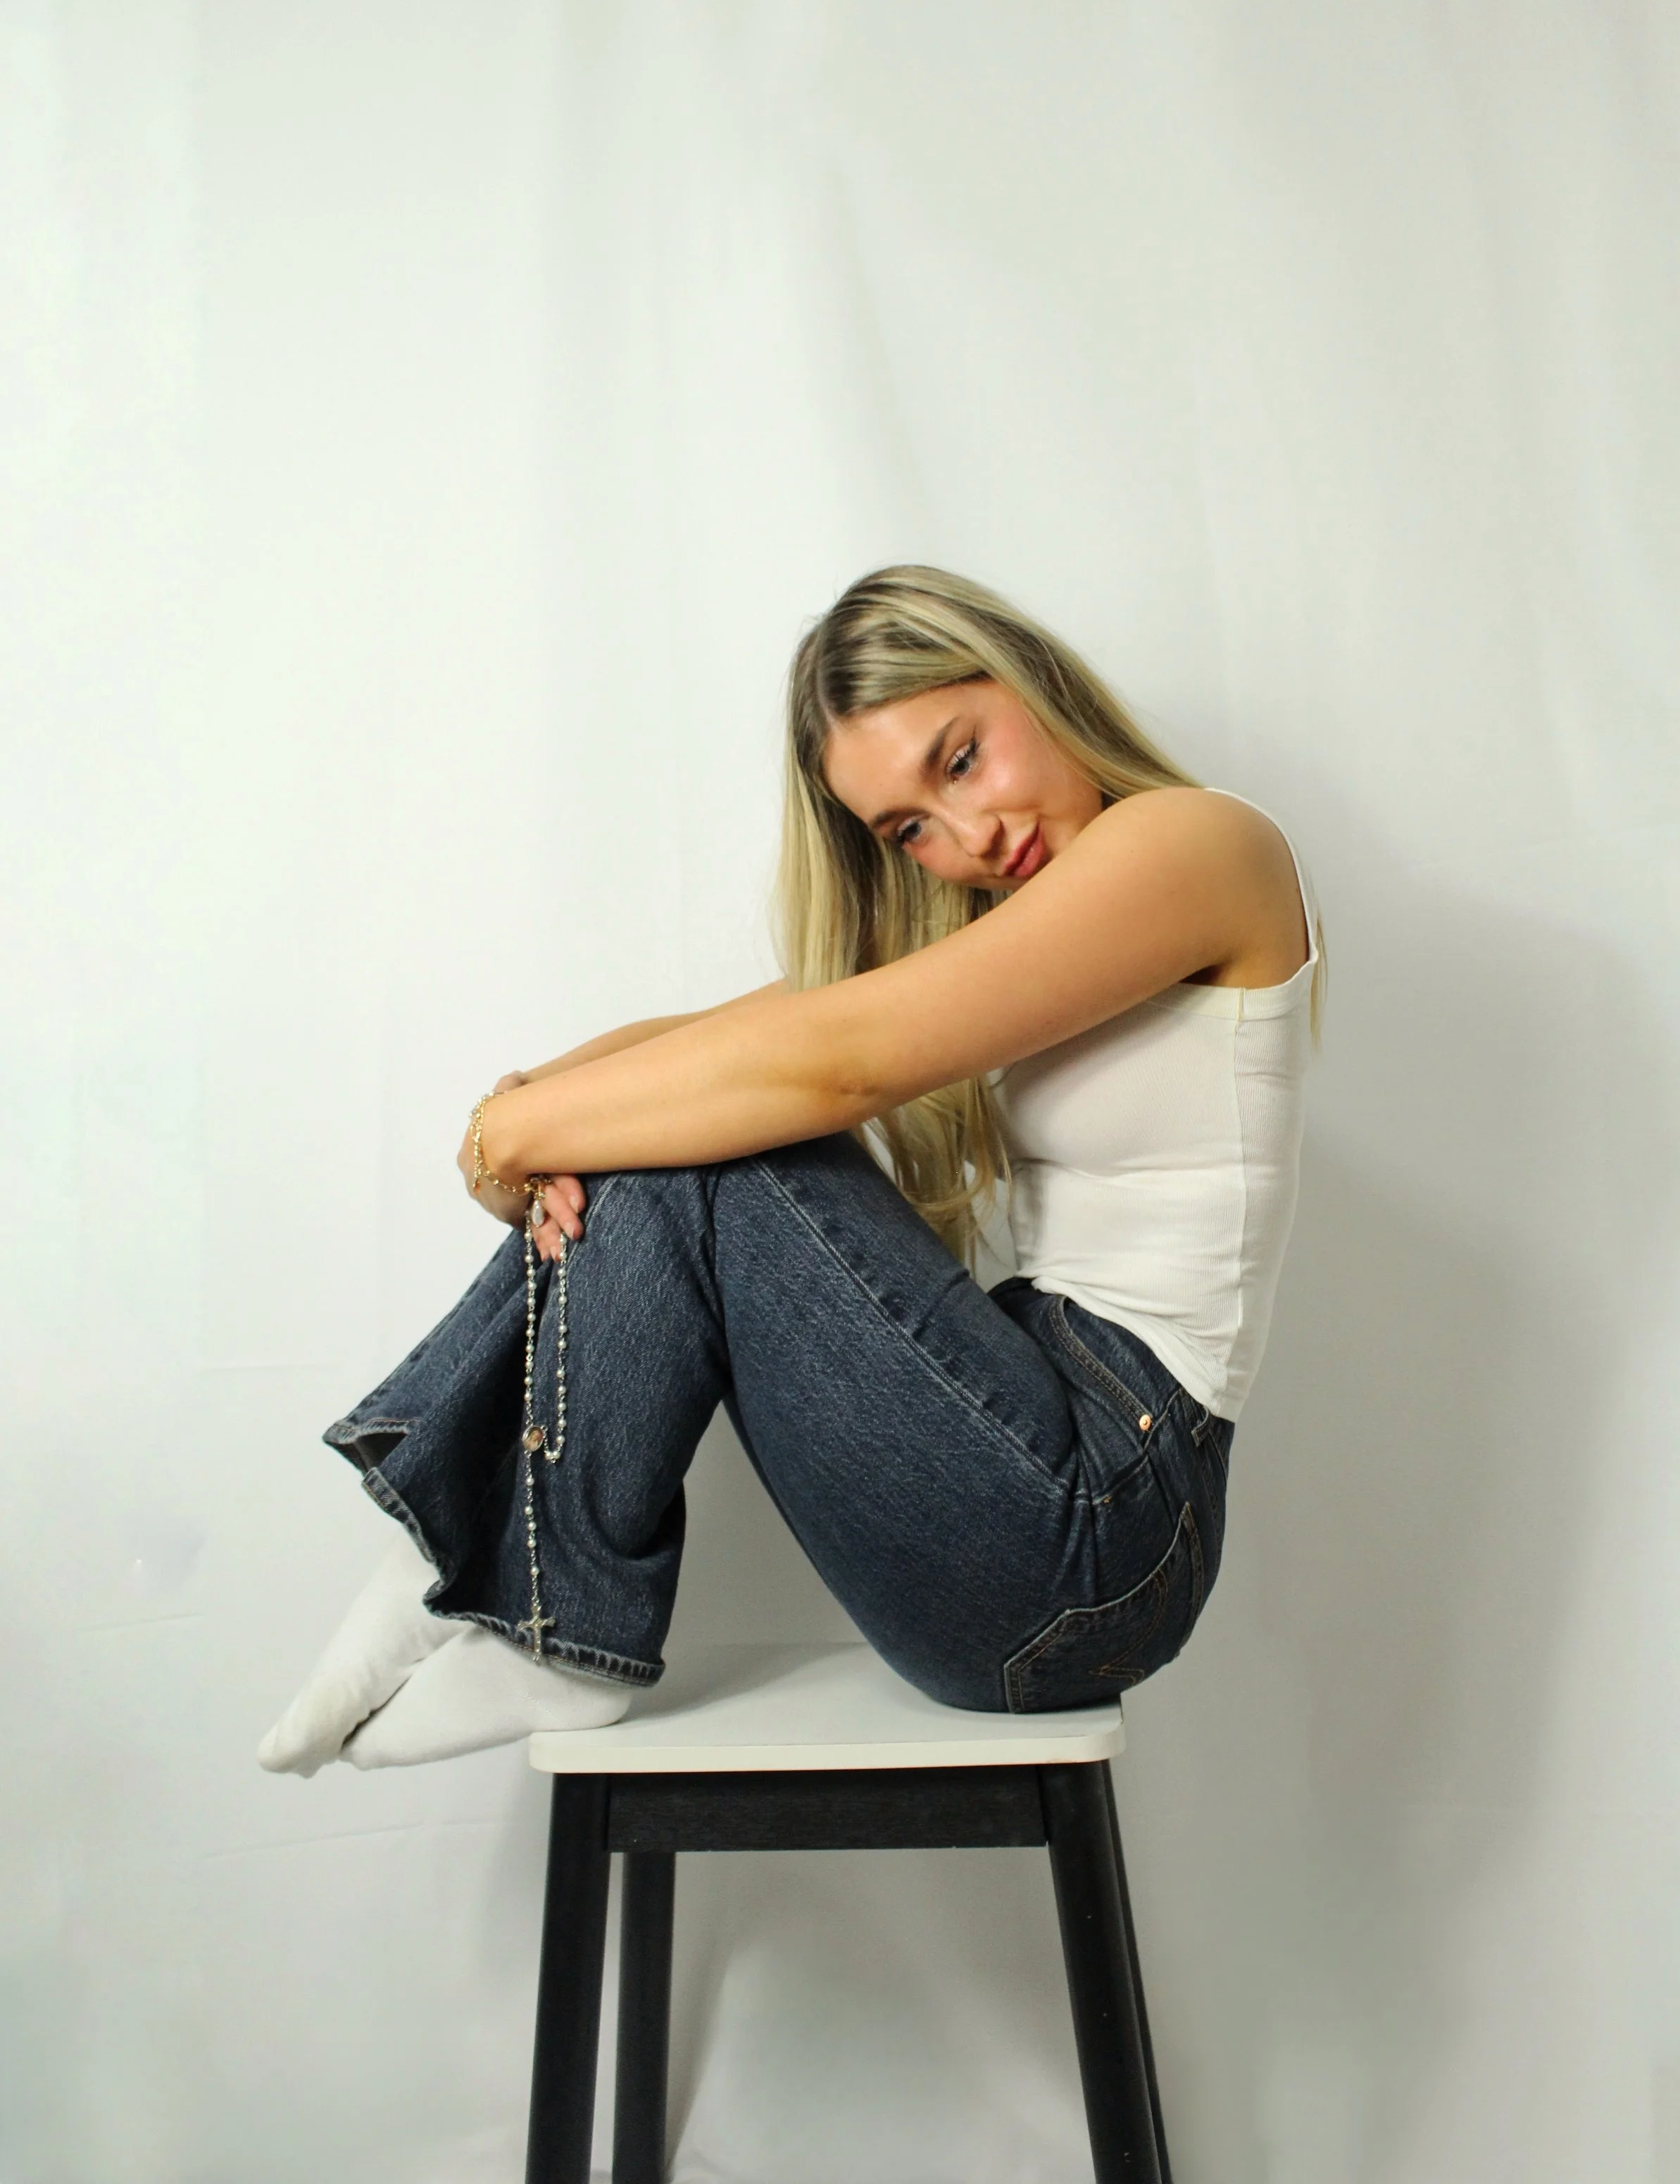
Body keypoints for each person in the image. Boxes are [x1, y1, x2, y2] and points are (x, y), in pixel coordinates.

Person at [258, 564, 1319, 1776]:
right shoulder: (1009, 915)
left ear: (1028, 678)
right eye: (909, 830)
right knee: (688, 1123)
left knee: (720, 1133)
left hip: (1105, 1526)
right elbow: (724, 1040)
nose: (968, 839)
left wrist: (527, 1137)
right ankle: (488, 1588)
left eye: (962, 758)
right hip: (1023, 1507)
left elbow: (829, 1065)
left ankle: (502, 1596)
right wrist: (518, 1112)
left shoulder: (1200, 845)